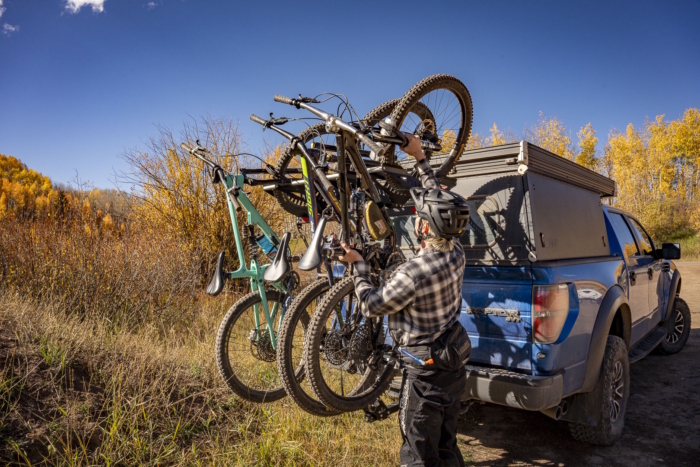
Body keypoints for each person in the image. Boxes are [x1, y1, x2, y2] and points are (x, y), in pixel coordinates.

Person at [340, 135, 472, 467]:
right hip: (452, 367)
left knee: (418, 454)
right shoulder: (456, 252)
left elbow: (371, 304)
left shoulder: (413, 273)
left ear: (424, 227)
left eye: (419, 214)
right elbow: (437, 197)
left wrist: (358, 265)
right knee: (445, 446)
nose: (415, 216)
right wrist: (420, 158)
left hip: (424, 372)